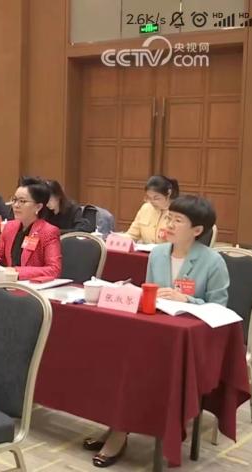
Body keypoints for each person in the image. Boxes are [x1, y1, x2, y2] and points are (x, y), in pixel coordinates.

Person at [86, 195, 228, 467]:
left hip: (189, 344)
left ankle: (119, 432)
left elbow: (219, 307)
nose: (169, 224)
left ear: (197, 230)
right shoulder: (159, 253)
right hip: (156, 332)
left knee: (136, 367)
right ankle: (116, 424)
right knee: (114, 356)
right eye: (169, 218)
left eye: (178, 220)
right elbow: (151, 293)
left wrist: (188, 300)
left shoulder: (213, 261)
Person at [0, 177, 62, 279]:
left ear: (38, 207)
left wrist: (16, 271)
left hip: (30, 285)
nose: (16, 205)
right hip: (8, 282)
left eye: (22, 201)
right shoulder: (9, 227)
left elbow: (54, 269)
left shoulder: (48, 231)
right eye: (14, 200)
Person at [125, 175, 179, 244]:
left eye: (156, 198)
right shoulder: (145, 208)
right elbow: (132, 235)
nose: (152, 202)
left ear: (169, 193)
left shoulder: (178, 211)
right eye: (149, 198)